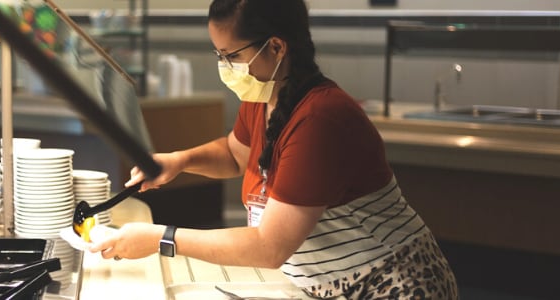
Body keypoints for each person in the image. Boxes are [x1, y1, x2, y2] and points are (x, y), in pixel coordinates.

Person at [90, 0, 459, 298]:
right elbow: (236, 154)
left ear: (277, 46)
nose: (225, 66)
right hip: (324, 283)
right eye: (219, 55)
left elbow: (269, 247)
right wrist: (180, 161)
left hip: (393, 285)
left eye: (230, 55)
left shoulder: (320, 118)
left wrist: (160, 239)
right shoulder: (263, 94)